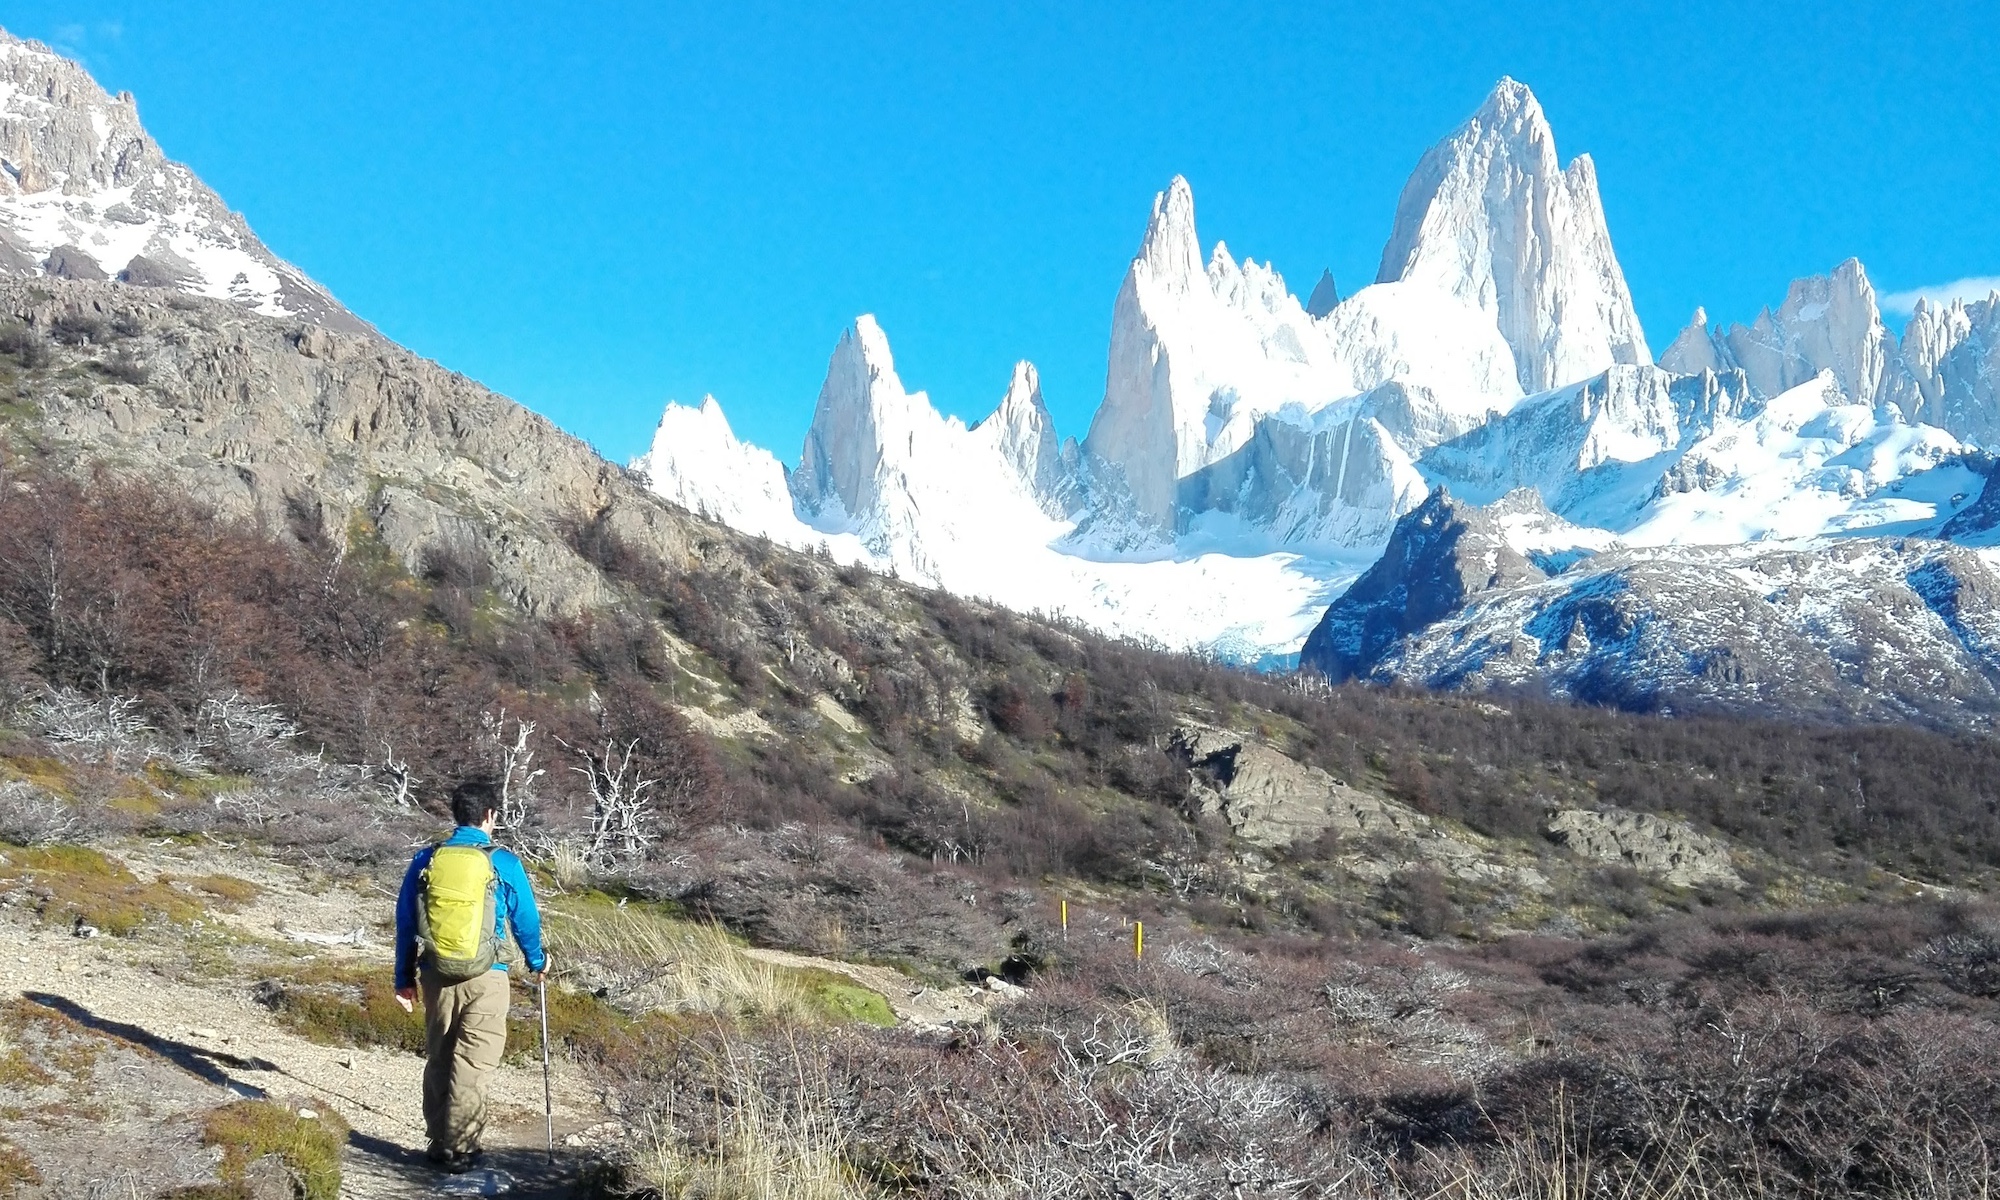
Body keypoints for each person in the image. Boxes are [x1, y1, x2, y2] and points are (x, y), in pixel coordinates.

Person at [394, 778, 548, 1171]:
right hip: (488, 975)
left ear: (456, 812)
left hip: (435, 973)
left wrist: (403, 978)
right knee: (474, 1063)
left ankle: (438, 1139)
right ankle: (459, 1148)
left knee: (440, 1057)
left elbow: (407, 922)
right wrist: (536, 960)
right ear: (490, 814)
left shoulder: (426, 859)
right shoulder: (503, 862)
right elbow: (525, 920)